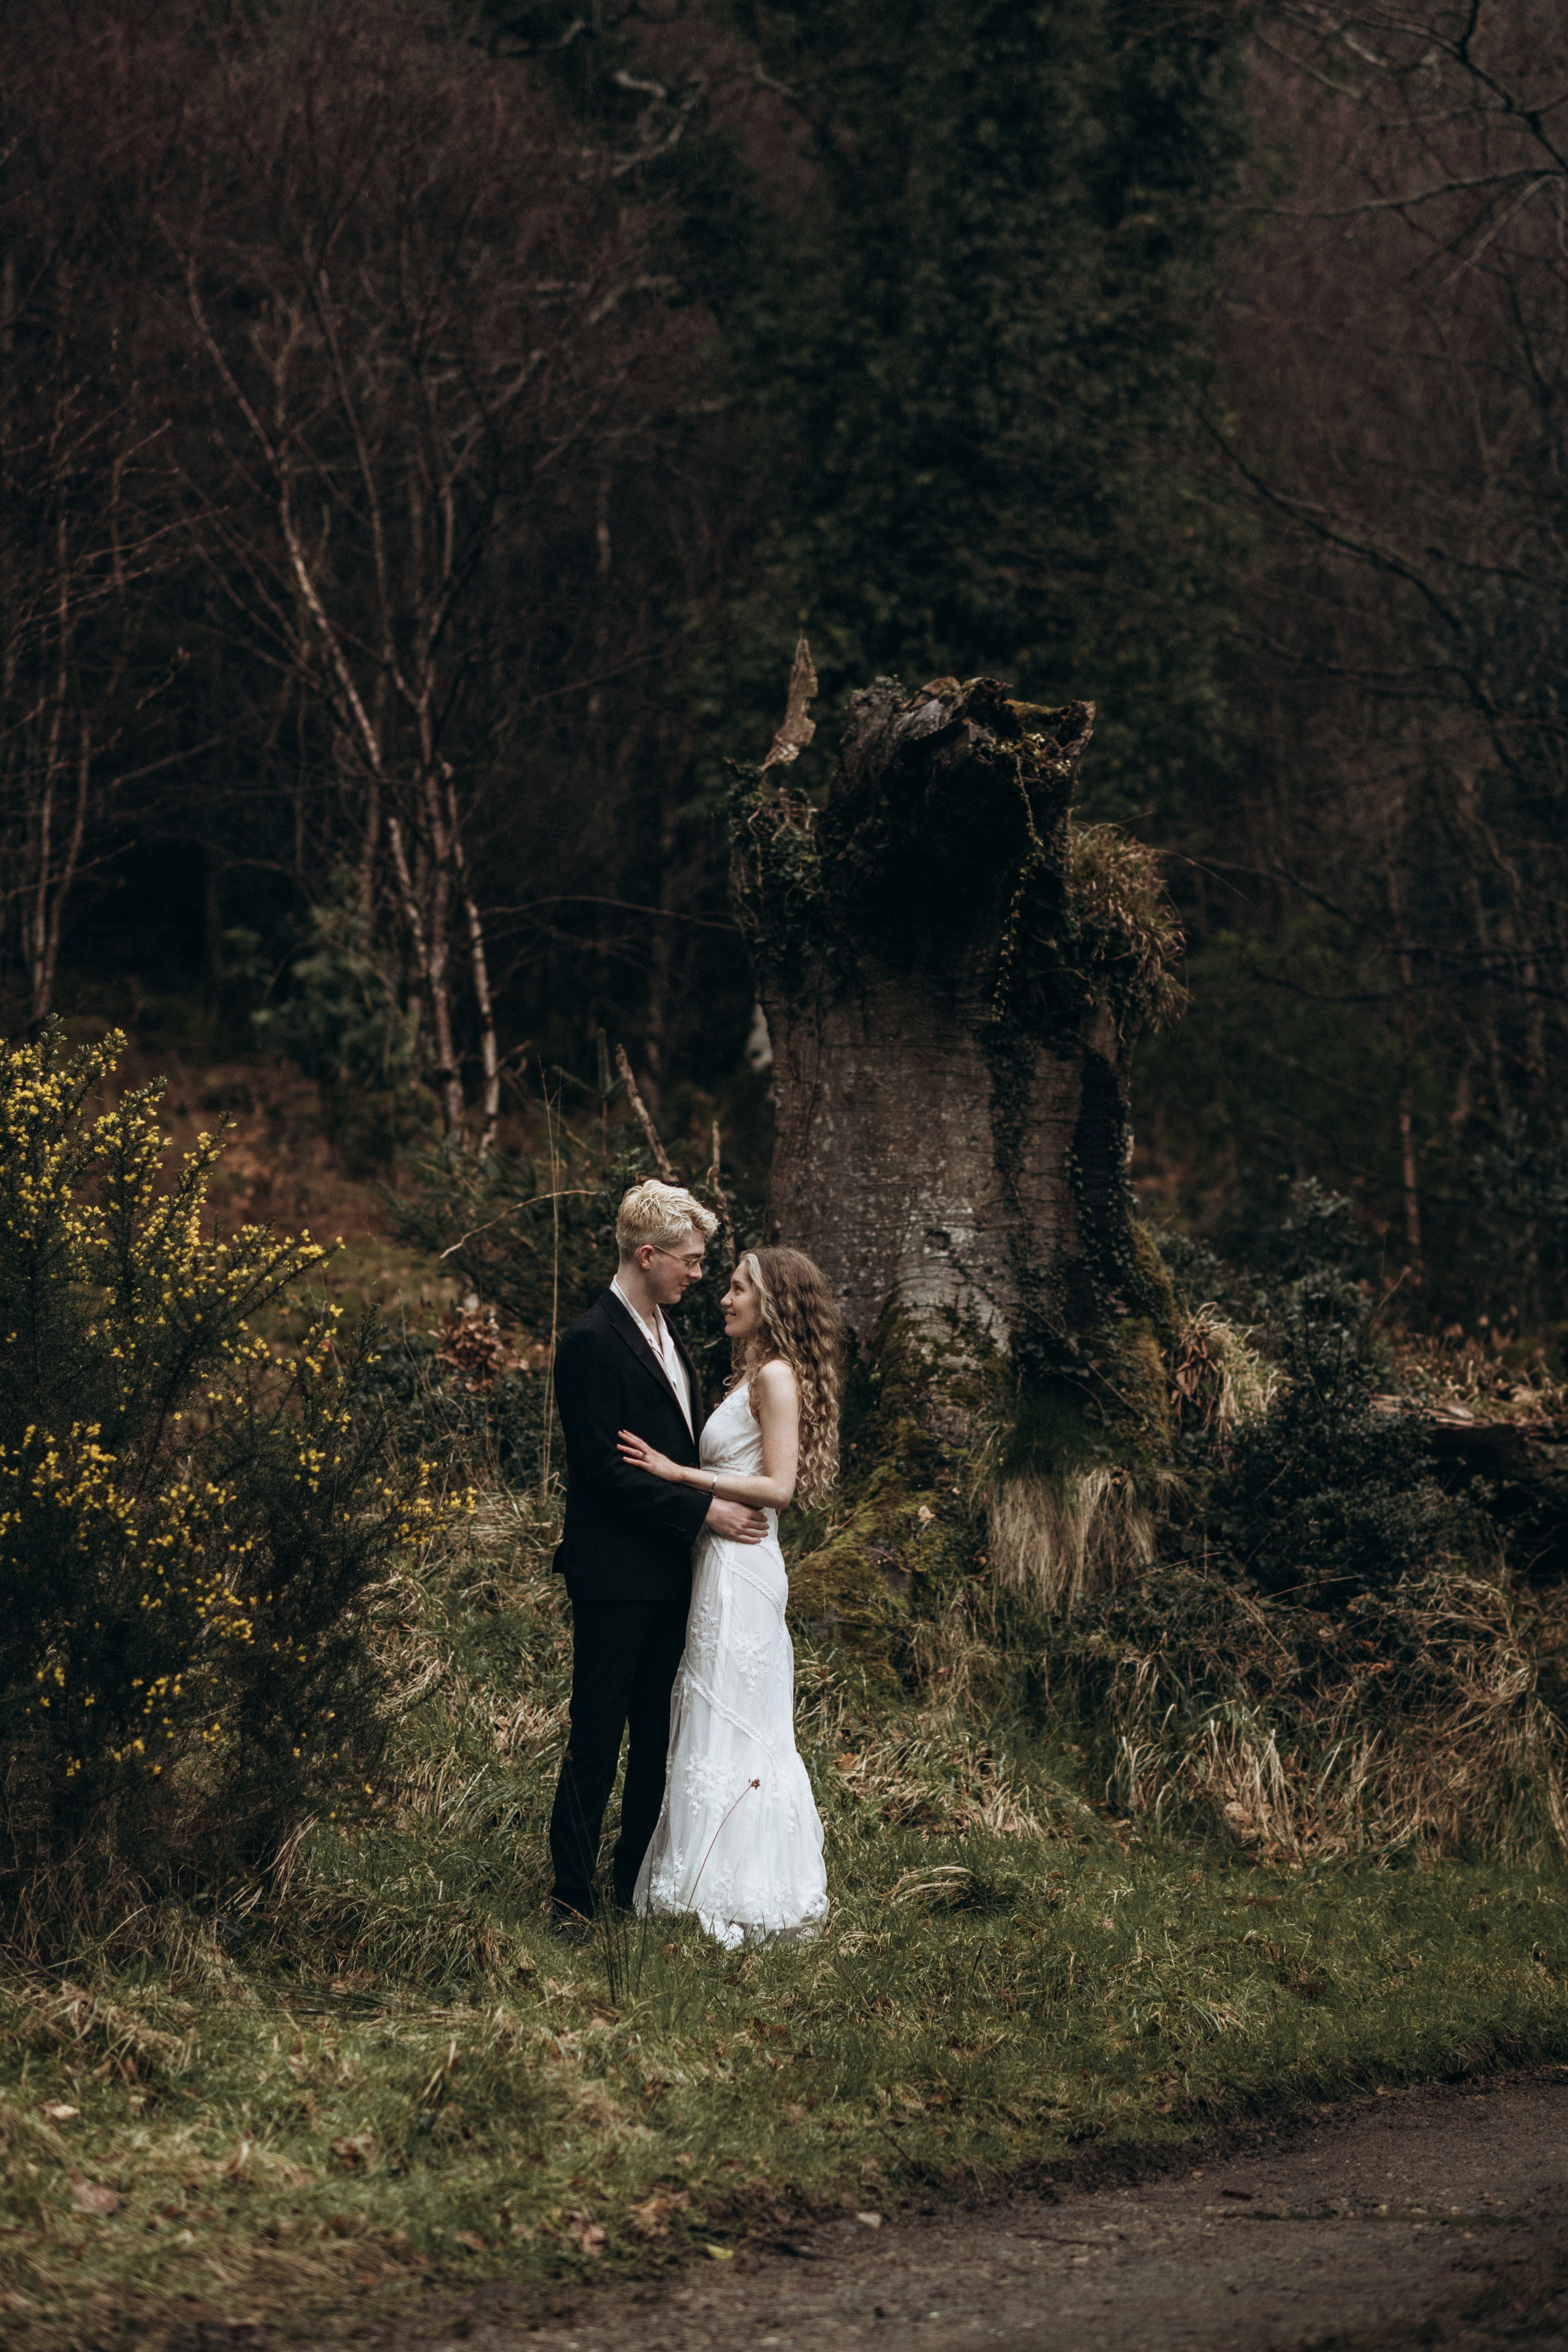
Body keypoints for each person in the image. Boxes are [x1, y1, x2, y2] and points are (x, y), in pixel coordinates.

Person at [547, 1180, 767, 1931]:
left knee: (656, 1745)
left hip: (675, 1576)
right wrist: (705, 1509)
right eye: (690, 1261)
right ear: (647, 1256)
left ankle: (629, 1889)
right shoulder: (588, 1342)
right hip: (613, 1580)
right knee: (597, 1739)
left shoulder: (670, 1338)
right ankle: (572, 1901)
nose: (699, 1275)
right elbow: (602, 1474)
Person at [616, 1246, 839, 1945]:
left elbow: (779, 1489)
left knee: (739, 1716)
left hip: (744, 1565)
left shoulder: (774, 1377)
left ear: (772, 1303)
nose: (725, 1297)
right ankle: (701, 1872)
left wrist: (680, 1474)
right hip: (718, 1561)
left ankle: (746, 1886)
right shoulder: (752, 1375)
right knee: (710, 1706)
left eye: (740, 1288)